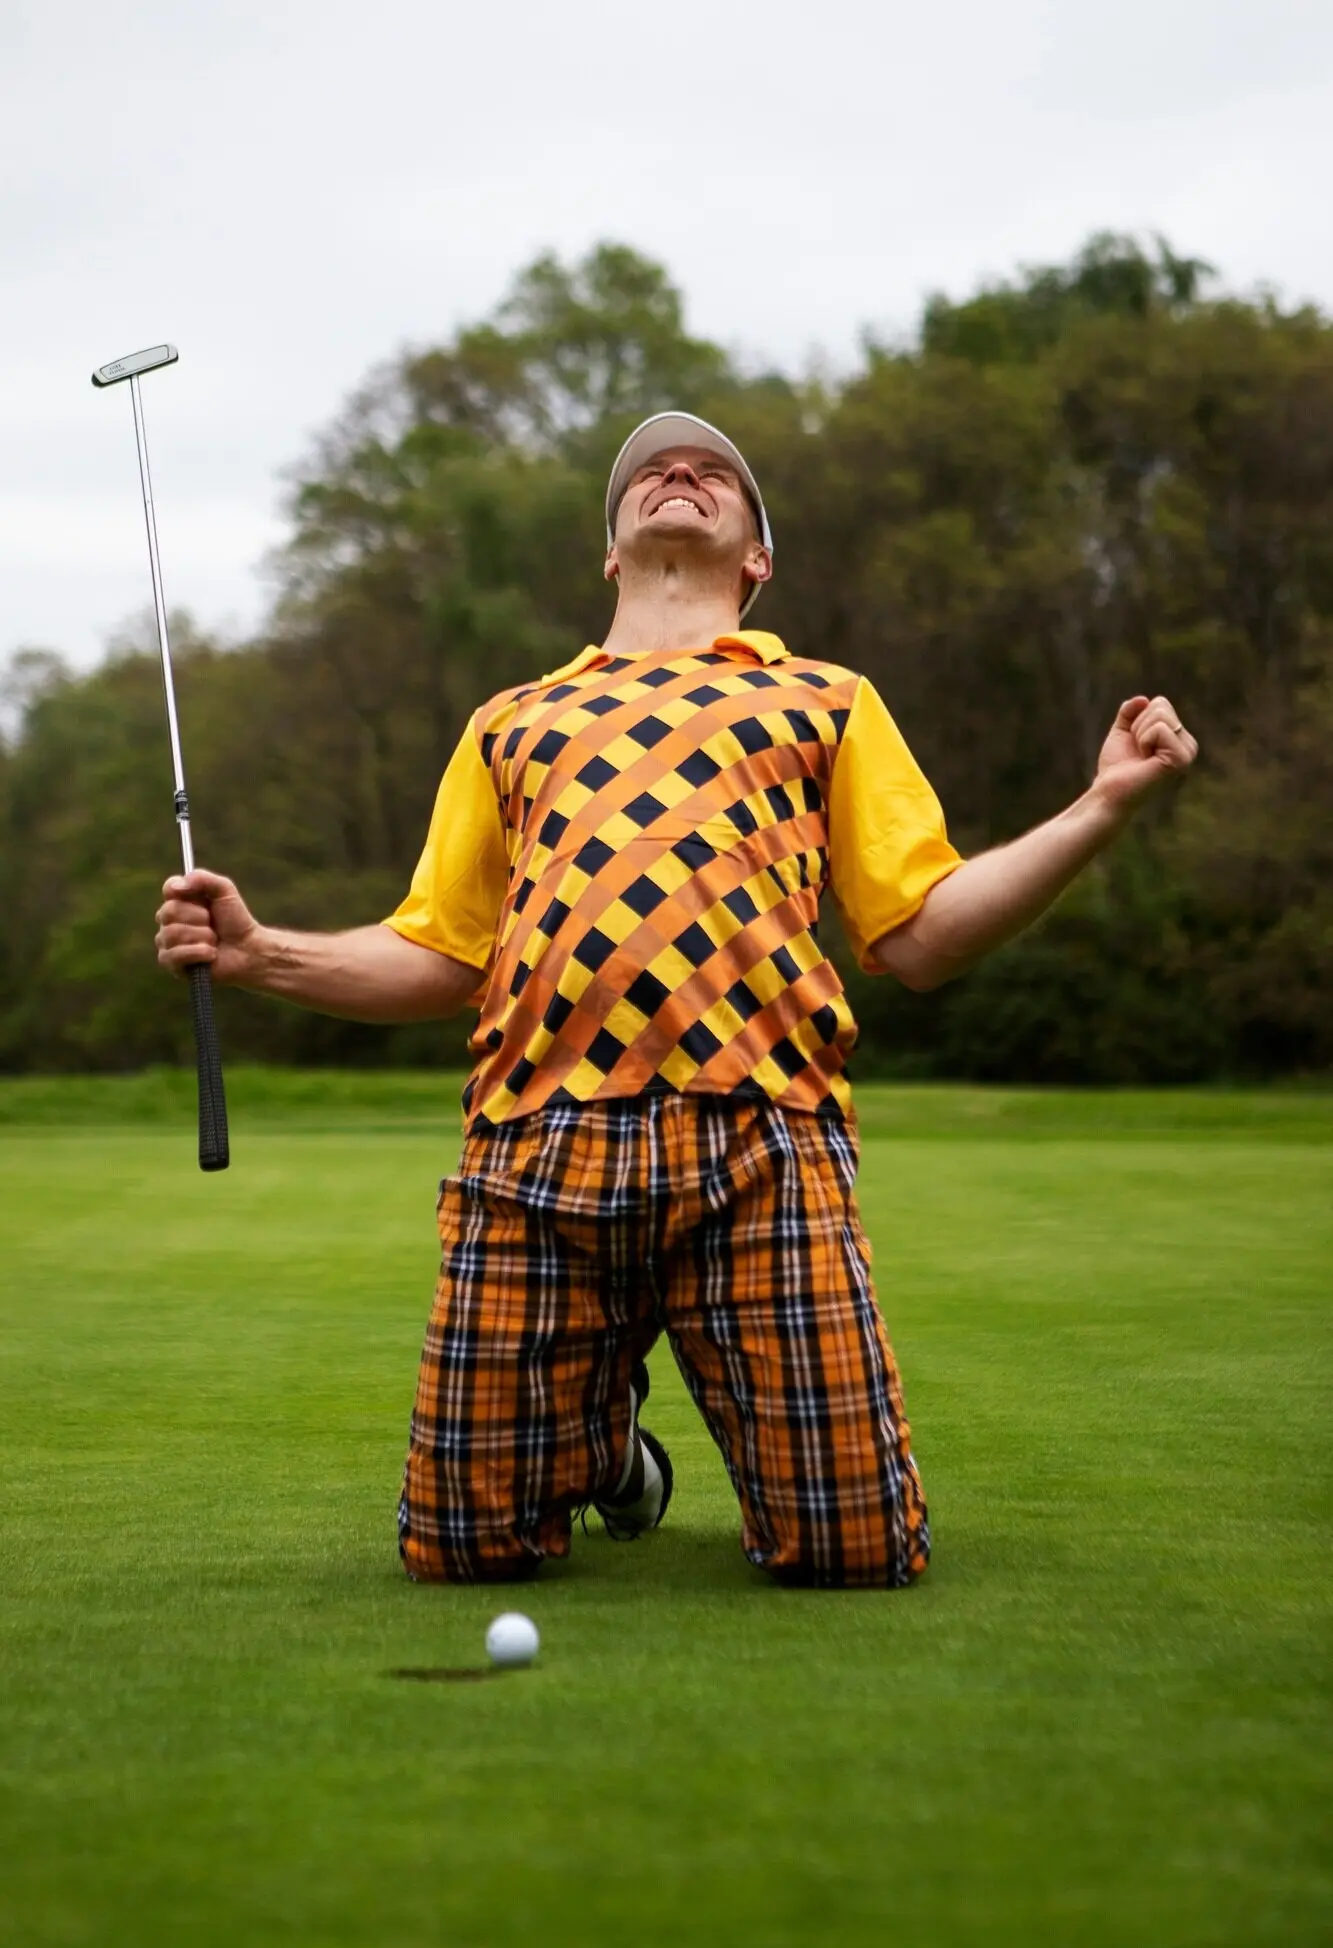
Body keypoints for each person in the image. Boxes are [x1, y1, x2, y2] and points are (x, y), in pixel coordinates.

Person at [155, 410, 1198, 1587]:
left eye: (715, 474)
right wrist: (259, 954)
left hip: (763, 1147)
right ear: (611, 552)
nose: (680, 472)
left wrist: (1101, 803)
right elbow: (443, 958)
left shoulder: (826, 701)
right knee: (459, 1550)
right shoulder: (511, 722)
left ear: (756, 557)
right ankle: (604, 1450)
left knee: (855, 1553)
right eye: (651, 470)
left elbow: (920, 935)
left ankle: (601, 1427)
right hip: (532, 1149)